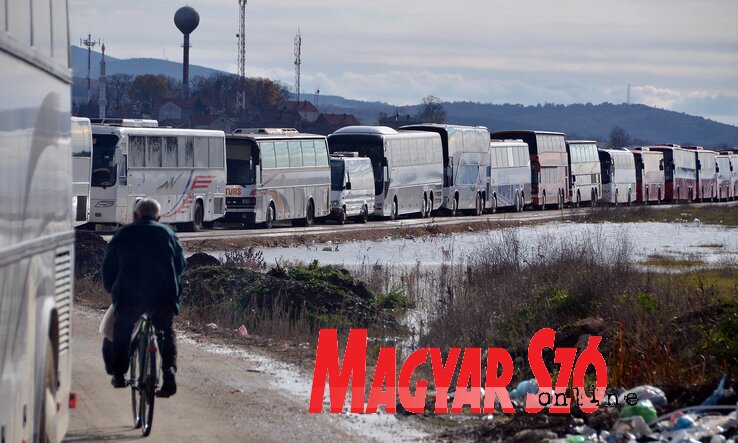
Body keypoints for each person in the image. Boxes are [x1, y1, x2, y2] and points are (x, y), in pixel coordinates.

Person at [102, 198, 186, 397]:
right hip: (163, 295)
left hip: (130, 295)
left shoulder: (123, 233)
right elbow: (181, 265)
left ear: (134, 216)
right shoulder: (167, 233)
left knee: (123, 328)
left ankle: (120, 373)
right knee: (165, 331)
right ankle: (169, 372)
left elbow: (108, 266)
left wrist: (111, 288)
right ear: (158, 217)